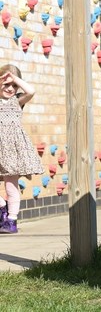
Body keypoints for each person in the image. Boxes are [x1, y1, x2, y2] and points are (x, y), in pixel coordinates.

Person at [0, 64, 44, 234]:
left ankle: (11, 220)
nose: (10, 89)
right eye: (6, 85)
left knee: (11, 185)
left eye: (14, 86)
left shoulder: (17, 101)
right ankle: (3, 206)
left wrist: (15, 78)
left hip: (11, 149)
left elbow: (31, 91)